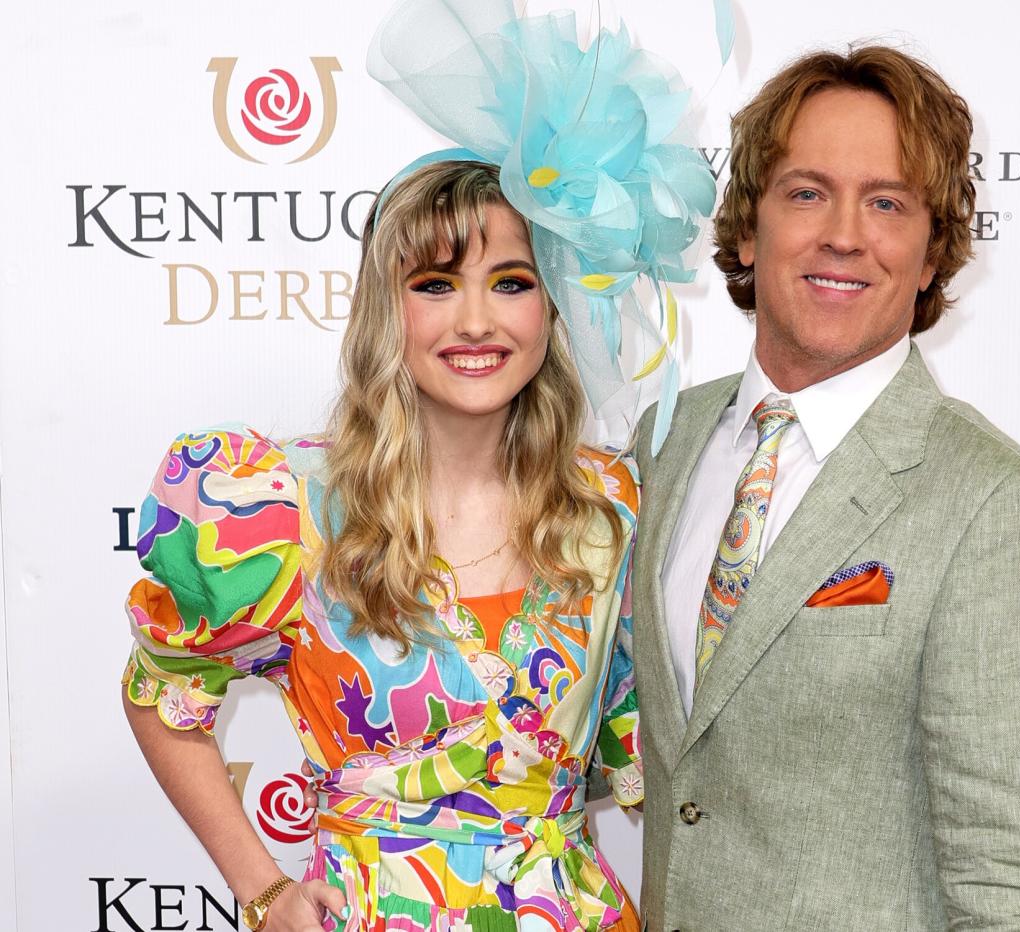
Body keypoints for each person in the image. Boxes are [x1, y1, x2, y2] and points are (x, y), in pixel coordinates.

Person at [630, 47, 1020, 930]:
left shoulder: (996, 507)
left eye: (887, 203)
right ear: (744, 228)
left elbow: (1018, 889)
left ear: (931, 255)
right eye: (807, 192)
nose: (844, 234)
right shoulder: (662, 443)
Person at [122, 160, 644, 931]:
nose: (476, 321)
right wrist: (265, 896)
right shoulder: (287, 508)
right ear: (383, 308)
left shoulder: (608, 506)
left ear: (554, 307)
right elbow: (158, 699)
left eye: (511, 282)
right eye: (435, 284)